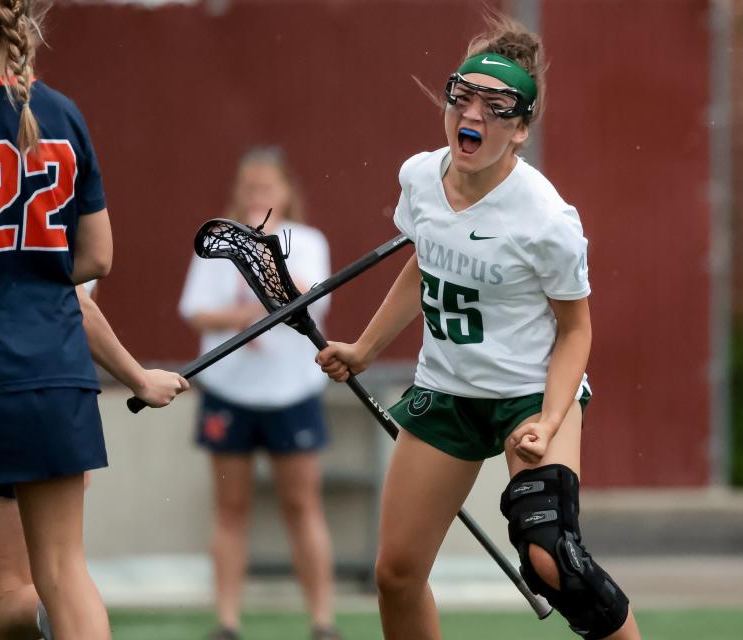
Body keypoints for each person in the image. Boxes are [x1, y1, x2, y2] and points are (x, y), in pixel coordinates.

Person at [315, 14, 643, 640]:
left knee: (552, 560)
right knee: (397, 573)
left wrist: (547, 420)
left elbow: (576, 331)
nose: (473, 113)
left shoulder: (546, 219)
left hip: (527, 393)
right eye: (463, 97)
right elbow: (424, 263)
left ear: (520, 129)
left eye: (496, 106)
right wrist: (363, 348)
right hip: (448, 389)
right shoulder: (419, 177)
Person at [0, 2, 184, 637]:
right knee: (63, 570)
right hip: (59, 374)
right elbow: (96, 257)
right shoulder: (64, 112)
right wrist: (30, 281)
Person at [179, 147, 341, 640]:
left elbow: (314, 299)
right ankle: (226, 621)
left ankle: (322, 621)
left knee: (302, 505)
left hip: (291, 392)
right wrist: (242, 316)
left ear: (287, 192)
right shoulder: (217, 242)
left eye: (268, 187)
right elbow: (197, 310)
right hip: (229, 391)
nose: (258, 196)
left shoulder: (306, 241)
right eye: (250, 188)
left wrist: (266, 256)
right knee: (230, 508)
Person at [0, 283, 189, 640]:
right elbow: (81, 301)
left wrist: (137, 378)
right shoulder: (74, 232)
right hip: (58, 403)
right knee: (57, 577)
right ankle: (65, 611)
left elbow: (72, 300)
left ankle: (54, 613)